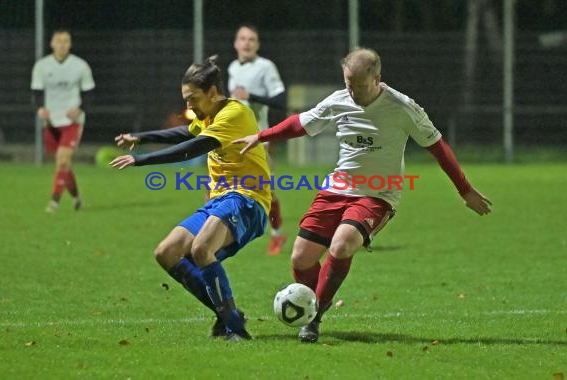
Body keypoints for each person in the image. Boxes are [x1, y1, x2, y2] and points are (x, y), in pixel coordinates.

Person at [234, 48, 492, 343]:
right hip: (337, 188)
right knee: (301, 258)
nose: (352, 91)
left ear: (377, 78)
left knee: (342, 245)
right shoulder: (338, 100)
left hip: (378, 193)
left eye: (358, 85)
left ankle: (313, 317)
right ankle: (313, 305)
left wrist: (465, 190)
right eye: (348, 83)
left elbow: (438, 147)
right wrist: (261, 136)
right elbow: (301, 124)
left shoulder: (402, 107)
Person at [110, 55, 271, 341]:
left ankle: (235, 327)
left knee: (200, 249)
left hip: (248, 199)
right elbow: (186, 132)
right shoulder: (207, 115)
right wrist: (142, 135)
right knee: (167, 252)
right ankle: (228, 316)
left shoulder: (235, 114)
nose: (188, 106)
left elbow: (192, 147)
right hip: (220, 200)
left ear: (212, 92)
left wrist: (140, 160)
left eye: (192, 98)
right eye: (185, 99)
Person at [228, 24, 287, 255]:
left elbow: (280, 100)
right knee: (215, 187)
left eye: (252, 39)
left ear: (257, 44)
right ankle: (218, 234)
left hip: (257, 140)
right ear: (235, 43)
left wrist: (250, 96)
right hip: (232, 140)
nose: (247, 43)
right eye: (242, 38)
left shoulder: (265, 67)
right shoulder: (233, 67)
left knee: (266, 192)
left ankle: (277, 233)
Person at [31, 29, 95, 213]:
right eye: (58, 41)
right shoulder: (42, 66)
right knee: (63, 164)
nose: (62, 45)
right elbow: (36, 92)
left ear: (70, 44)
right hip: (51, 121)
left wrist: (80, 108)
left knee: (63, 159)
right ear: (51, 43)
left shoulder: (80, 66)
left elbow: (90, 94)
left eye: (66, 41)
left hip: (72, 122)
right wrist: (40, 108)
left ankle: (54, 202)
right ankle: (76, 197)